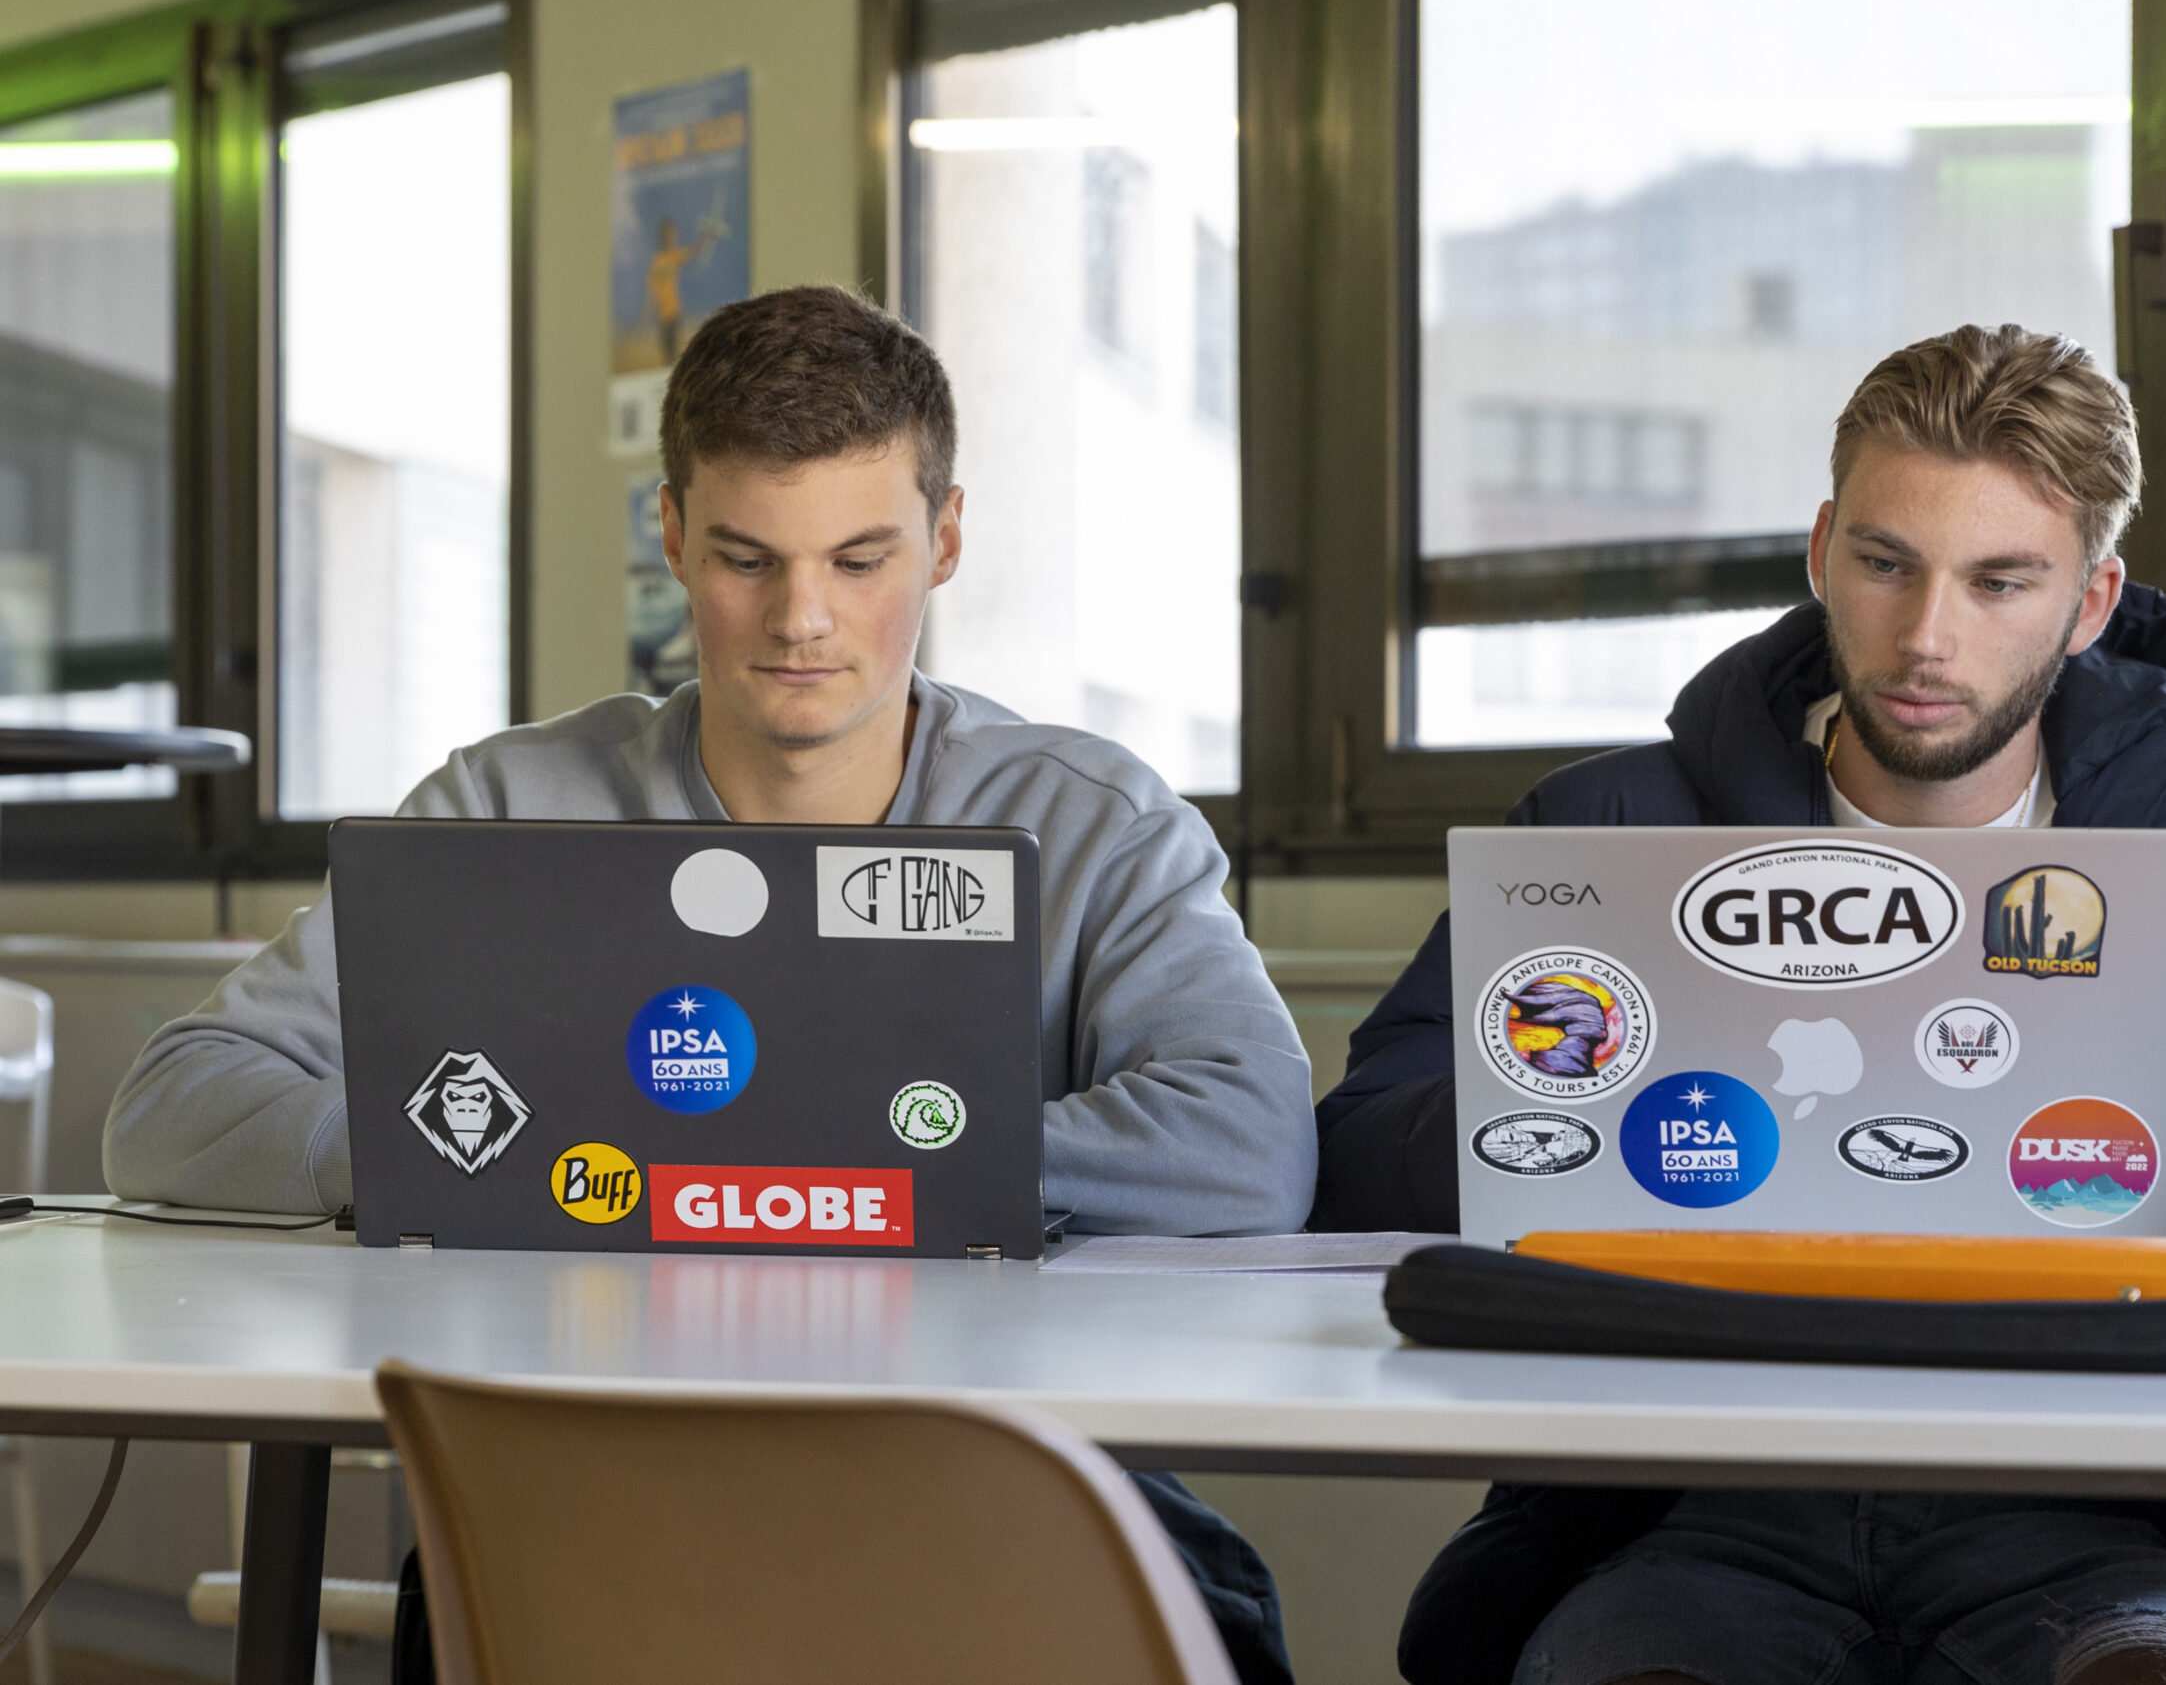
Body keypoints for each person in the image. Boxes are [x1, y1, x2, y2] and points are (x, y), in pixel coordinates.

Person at [105, 284, 1314, 1684]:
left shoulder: (1098, 820)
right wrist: (460, 1160)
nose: (803, 619)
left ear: (949, 538)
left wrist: (837, 1166)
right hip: (593, 1473)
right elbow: (171, 1104)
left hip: (1002, 1458)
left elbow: (1252, 1140)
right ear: (673, 533)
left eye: (862, 557)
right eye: (747, 556)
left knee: (1206, 1610)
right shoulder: (505, 812)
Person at [1319, 325, 2166, 1685]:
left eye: (2000, 580)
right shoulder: (1609, 825)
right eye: (1886, 563)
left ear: (2090, 603)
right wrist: (1567, 1137)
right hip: (1688, 1503)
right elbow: (1360, 1145)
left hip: (2131, 1506)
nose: (1925, 636)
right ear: (1820, 553)